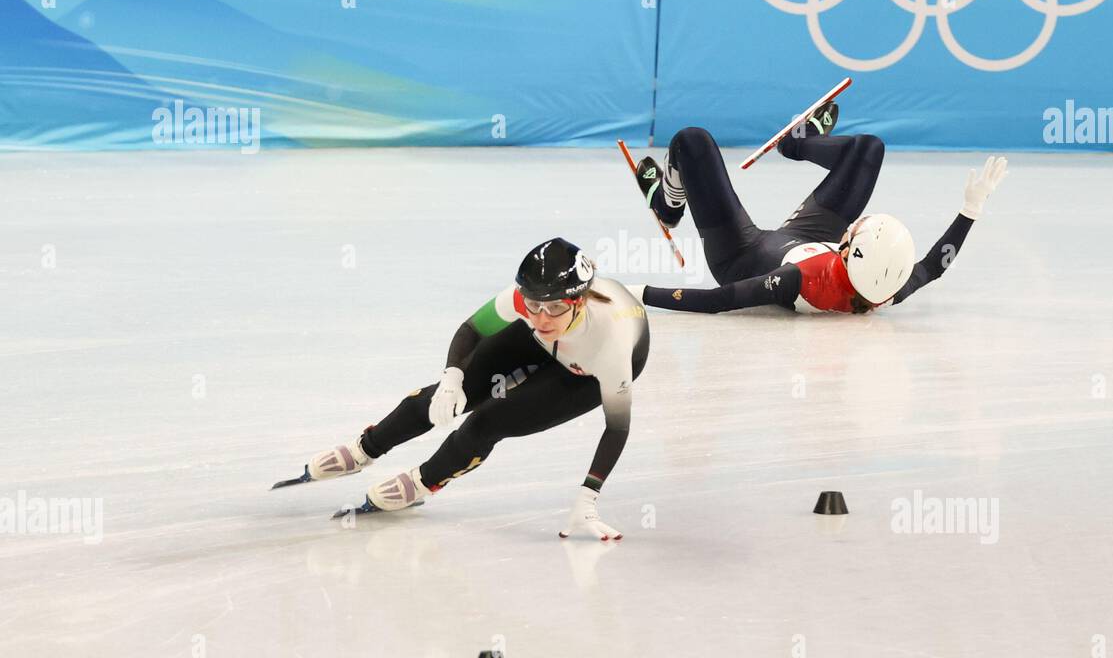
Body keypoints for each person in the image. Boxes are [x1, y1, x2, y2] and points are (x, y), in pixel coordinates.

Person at [274, 238, 649, 541]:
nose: (538, 318)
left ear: (578, 301)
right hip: (558, 341)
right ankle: (364, 449)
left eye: (552, 308)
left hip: (584, 371)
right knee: (446, 395)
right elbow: (472, 329)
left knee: (489, 421)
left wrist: (588, 498)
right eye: (532, 305)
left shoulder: (611, 344)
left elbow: (616, 428)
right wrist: (453, 377)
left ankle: (425, 481)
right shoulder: (533, 305)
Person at [629, 104, 1007, 314]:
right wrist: (971, 209)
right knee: (869, 149)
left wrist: (637, 291)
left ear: (847, 250)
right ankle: (797, 143)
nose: (853, 224)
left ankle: (667, 204)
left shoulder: (804, 278)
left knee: (691, 142)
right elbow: (934, 267)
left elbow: (719, 301)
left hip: (740, 256)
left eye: (855, 229)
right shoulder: (889, 287)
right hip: (807, 239)